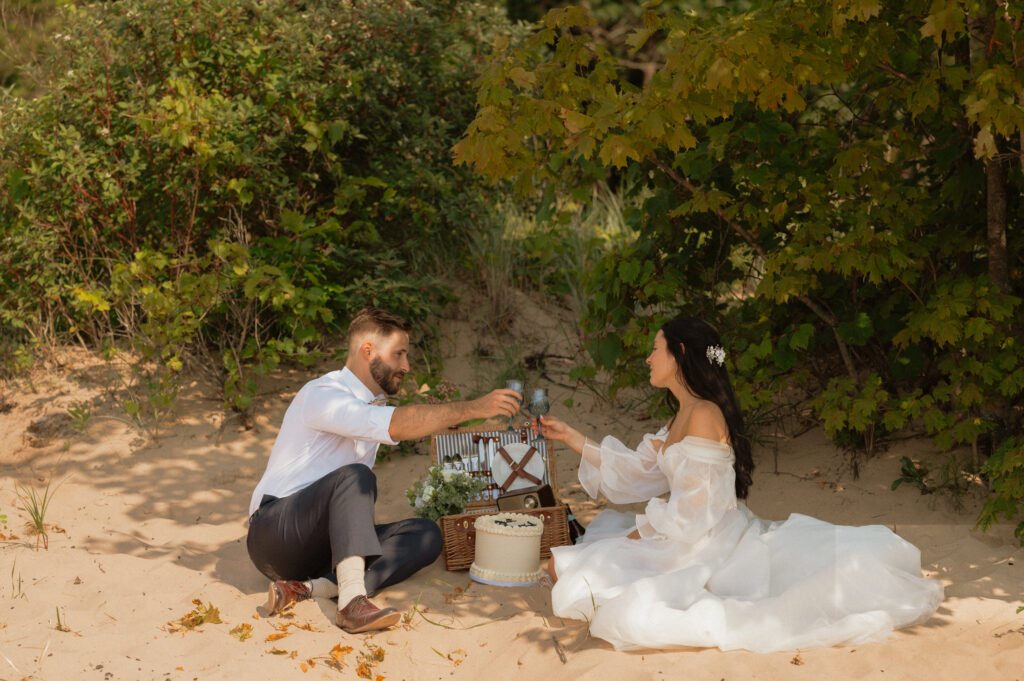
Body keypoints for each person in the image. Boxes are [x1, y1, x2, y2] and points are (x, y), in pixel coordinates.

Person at [537, 315, 944, 652]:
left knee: (572, 571)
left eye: (656, 348)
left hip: (704, 540)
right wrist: (571, 436)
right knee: (569, 564)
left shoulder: (702, 415)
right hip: (683, 532)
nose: (648, 358)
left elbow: (699, 508)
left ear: (679, 353)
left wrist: (642, 533)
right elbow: (640, 472)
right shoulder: (685, 412)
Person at [247, 307, 520, 633]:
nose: (406, 366)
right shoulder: (323, 394)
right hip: (275, 533)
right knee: (355, 477)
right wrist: (475, 406)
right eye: (399, 354)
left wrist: (482, 423)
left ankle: (309, 588)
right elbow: (399, 425)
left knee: (426, 536)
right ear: (368, 351)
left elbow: (412, 424)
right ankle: (351, 604)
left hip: (322, 548)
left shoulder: (370, 405)